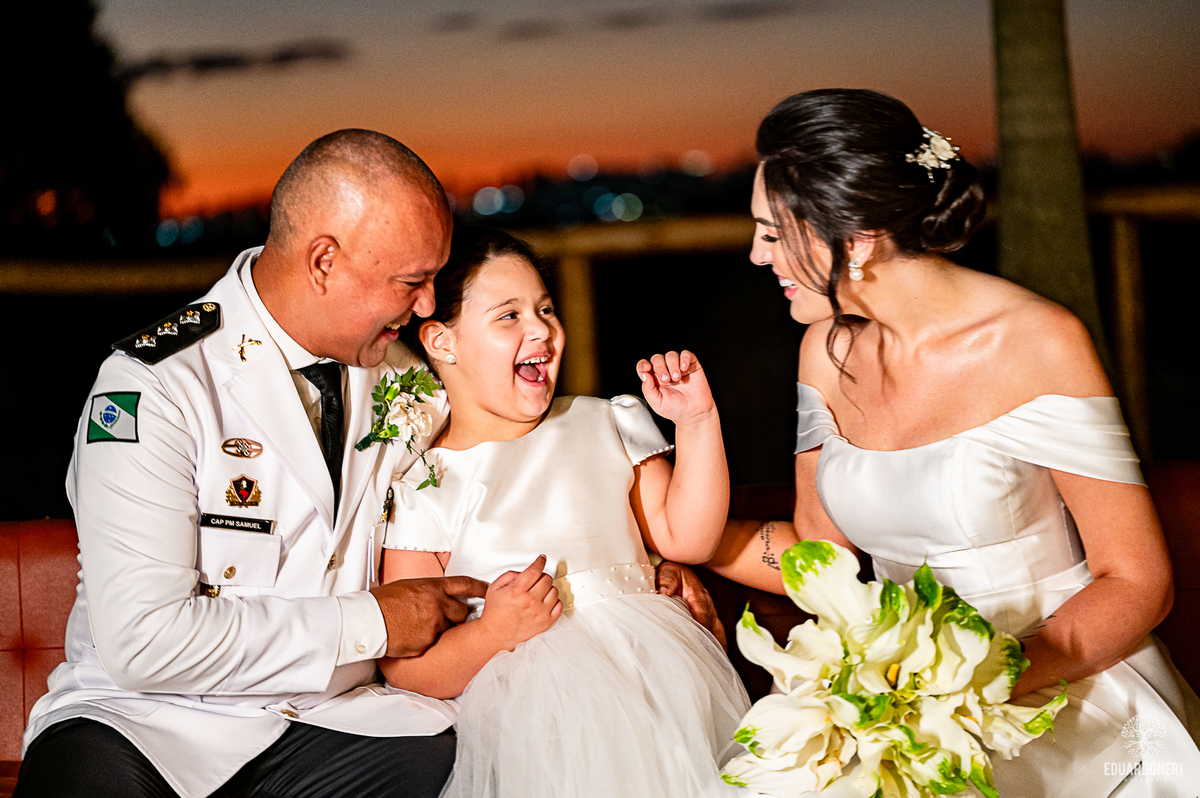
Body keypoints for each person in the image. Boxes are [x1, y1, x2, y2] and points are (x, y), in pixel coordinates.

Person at [706, 89, 1200, 796]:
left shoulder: (1038, 343)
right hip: (897, 707)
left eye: (773, 233)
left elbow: (1137, 580)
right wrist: (686, 541)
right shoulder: (824, 351)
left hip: (1063, 689)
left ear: (858, 238)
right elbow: (822, 556)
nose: (758, 255)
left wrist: (962, 690)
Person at [16, 129, 492, 798]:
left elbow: (514, 470)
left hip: (339, 723)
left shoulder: (406, 381)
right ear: (322, 261)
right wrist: (374, 621)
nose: (427, 306)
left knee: (506, 764)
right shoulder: (152, 386)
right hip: (146, 724)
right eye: (413, 281)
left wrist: (634, 556)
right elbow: (145, 642)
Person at [377, 227, 750, 798]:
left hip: (655, 680)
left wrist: (697, 422)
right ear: (442, 342)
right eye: (509, 316)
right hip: (538, 724)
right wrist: (494, 632)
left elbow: (687, 538)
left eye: (546, 308)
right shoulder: (425, 484)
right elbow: (409, 668)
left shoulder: (605, 421)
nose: (542, 330)